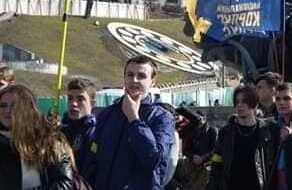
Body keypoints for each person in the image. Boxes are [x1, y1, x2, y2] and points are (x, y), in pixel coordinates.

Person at [85, 55, 176, 189]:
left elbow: (153, 160)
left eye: (141, 76)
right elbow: (93, 157)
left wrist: (134, 119)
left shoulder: (162, 118)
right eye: (130, 75)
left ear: (152, 81)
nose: (134, 80)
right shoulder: (108, 114)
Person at [0, 84, 76, 188]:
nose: (7, 111)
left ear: (27, 108)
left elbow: (65, 184)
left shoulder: (49, 139)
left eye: (14, 105)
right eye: (3, 105)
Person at [208, 85, 279, 190]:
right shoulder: (226, 132)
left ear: (254, 105)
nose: (240, 105)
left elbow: (274, 163)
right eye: (237, 102)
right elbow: (217, 160)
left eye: (244, 101)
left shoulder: (268, 130)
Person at [60, 77, 97, 178]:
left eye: (80, 99)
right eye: (70, 98)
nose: (73, 104)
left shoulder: (95, 133)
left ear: (92, 104)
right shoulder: (61, 130)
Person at [180, 108, 218, 189]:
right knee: (190, 185)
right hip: (192, 163)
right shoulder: (191, 130)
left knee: (200, 186)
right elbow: (186, 148)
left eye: (201, 118)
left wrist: (203, 157)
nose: (199, 121)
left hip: (206, 164)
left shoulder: (212, 131)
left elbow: (215, 149)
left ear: (205, 119)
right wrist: (193, 156)